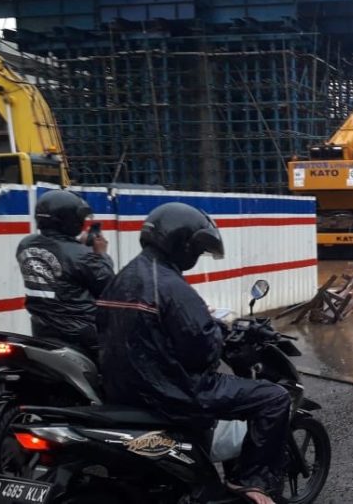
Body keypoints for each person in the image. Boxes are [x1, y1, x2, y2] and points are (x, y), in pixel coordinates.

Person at [96, 203, 289, 504]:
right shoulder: (172, 286)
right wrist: (216, 332)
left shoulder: (120, 278)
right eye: (197, 250)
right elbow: (201, 353)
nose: (197, 257)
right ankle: (250, 481)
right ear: (181, 244)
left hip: (123, 389)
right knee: (274, 397)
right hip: (173, 392)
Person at [15, 190, 114, 359]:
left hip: (42, 330)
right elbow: (108, 287)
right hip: (83, 334)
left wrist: (77, 245)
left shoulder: (25, 245)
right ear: (68, 219)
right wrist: (101, 255)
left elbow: (60, 258)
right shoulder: (83, 256)